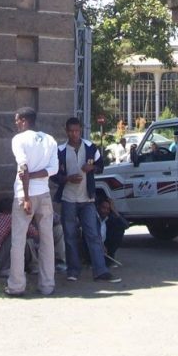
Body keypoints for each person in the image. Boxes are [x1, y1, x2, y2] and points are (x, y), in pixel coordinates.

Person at [52, 117, 121, 284]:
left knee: (93, 234)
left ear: (80, 131)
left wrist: (93, 168)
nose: (74, 134)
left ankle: (100, 270)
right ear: (66, 131)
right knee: (70, 236)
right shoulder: (60, 151)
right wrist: (66, 178)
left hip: (87, 198)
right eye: (71, 131)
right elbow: (53, 175)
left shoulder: (90, 147)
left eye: (77, 131)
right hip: (69, 198)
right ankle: (73, 270)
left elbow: (101, 165)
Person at [5, 106, 59, 296]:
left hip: (24, 194)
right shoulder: (50, 140)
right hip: (44, 193)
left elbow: (22, 168)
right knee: (47, 240)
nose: (16, 123)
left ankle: (16, 286)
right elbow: (54, 169)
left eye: (17, 120)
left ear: (24, 120)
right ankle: (47, 285)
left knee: (18, 241)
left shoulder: (18, 139)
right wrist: (36, 176)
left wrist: (26, 196)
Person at [96, 195, 129, 265]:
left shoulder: (110, 218)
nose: (105, 211)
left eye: (108, 209)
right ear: (98, 207)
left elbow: (125, 225)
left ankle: (110, 256)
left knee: (119, 229)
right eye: (103, 208)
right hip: (94, 246)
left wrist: (114, 210)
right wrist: (100, 244)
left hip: (106, 249)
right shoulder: (93, 217)